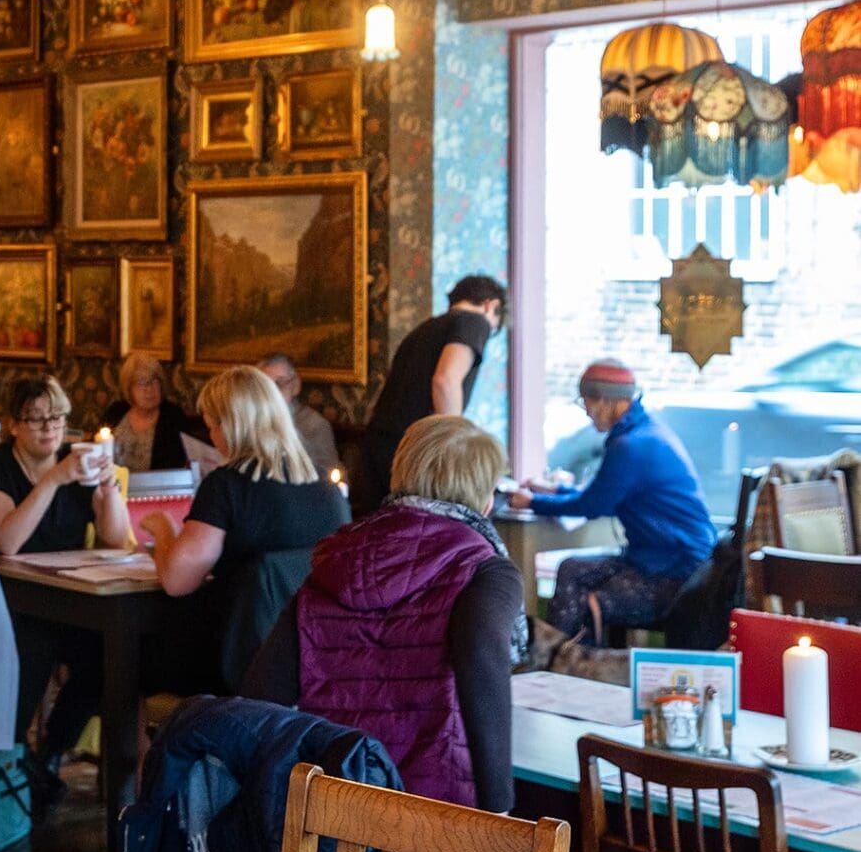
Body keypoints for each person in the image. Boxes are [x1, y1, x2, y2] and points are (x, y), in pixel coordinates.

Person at [248, 414, 525, 811]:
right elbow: (482, 653)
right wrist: (498, 807)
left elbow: (263, 694)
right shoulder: (484, 569)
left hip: (330, 813)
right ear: (484, 499)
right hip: (435, 819)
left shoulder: (335, 562)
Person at [140, 365, 350, 691]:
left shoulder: (228, 486)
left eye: (212, 427)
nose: (211, 436)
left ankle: (148, 741)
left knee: (131, 658)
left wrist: (164, 531)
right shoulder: (328, 488)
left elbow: (177, 581)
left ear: (230, 427)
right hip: (320, 656)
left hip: (238, 658)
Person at [0, 373, 134, 790]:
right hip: (11, 600)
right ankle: (6, 762)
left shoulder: (74, 460)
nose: (50, 428)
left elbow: (117, 540)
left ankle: (49, 755)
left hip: (70, 598)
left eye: (57, 418)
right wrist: (54, 479)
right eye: (36, 419)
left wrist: (107, 487)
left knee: (107, 659)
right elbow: (8, 540)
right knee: (32, 650)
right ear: (14, 424)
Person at [509, 359, 714, 645]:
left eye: (587, 403)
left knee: (580, 594)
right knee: (571, 569)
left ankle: (554, 663)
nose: (588, 414)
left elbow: (593, 506)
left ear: (605, 401)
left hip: (675, 574)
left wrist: (533, 502)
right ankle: (558, 660)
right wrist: (552, 492)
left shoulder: (631, 446)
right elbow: (602, 494)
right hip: (663, 560)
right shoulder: (645, 430)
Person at [348, 274, 508, 518]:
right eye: (495, 327)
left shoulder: (425, 329)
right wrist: (454, 445)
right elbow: (445, 381)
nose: (489, 331)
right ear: (491, 305)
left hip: (379, 447)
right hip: (415, 452)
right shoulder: (474, 321)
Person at [100, 351, 203, 475]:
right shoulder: (116, 412)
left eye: (154, 381)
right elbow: (98, 450)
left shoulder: (173, 416)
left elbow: (176, 466)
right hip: (112, 486)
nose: (149, 389)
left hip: (156, 490)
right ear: (129, 388)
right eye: (141, 382)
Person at [257, 351, 340, 483]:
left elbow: (328, 477)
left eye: (280, 384)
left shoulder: (315, 425)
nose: (272, 393)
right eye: (265, 386)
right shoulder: (251, 420)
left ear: (296, 386)